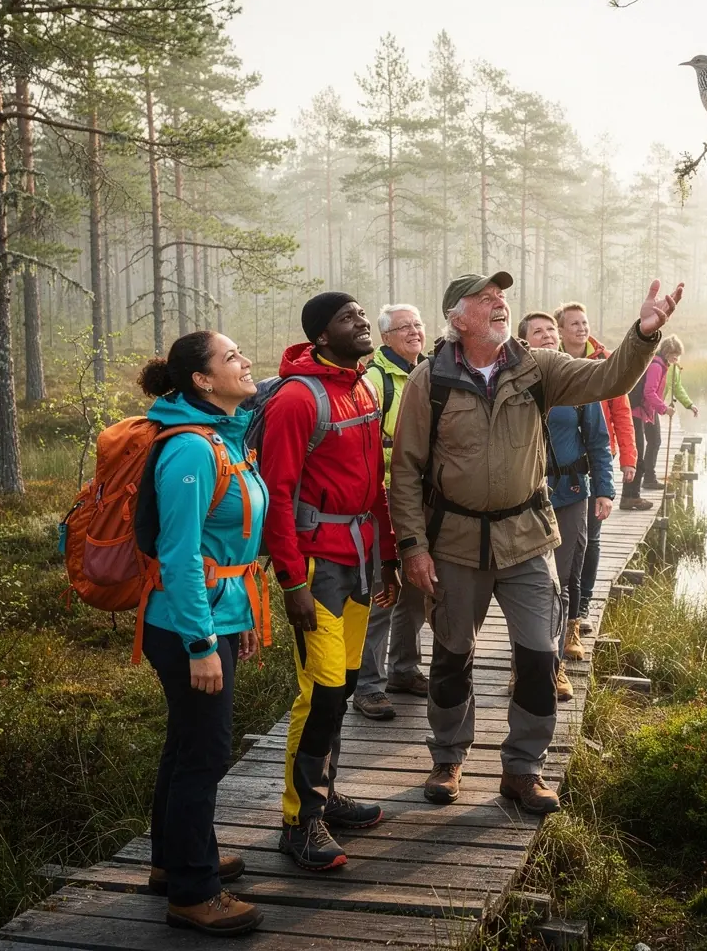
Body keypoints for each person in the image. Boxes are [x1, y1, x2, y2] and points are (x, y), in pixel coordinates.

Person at [389, 271, 683, 814]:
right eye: (485, 299)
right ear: (458, 319)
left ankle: (523, 769)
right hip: (453, 542)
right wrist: (412, 546)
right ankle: (448, 757)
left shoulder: (535, 367)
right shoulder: (428, 381)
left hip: (526, 538)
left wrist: (644, 334)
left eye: (501, 296)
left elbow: (610, 378)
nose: (500, 303)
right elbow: (405, 471)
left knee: (540, 654)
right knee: (453, 658)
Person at [260, 292, 401, 871]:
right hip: (317, 568)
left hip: (363, 558)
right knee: (318, 694)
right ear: (320, 337)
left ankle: (327, 794)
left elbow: (374, 488)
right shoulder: (297, 400)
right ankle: (300, 821)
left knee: (341, 687)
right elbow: (278, 497)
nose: (362, 321)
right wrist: (292, 582)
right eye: (348, 318)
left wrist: (389, 555)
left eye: (362, 314)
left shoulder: (362, 386)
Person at [137, 331, 266, 936]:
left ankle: (174, 859)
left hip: (213, 614)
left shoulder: (224, 437)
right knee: (206, 754)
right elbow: (181, 557)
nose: (245, 362)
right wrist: (201, 643)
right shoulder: (191, 450)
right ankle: (193, 891)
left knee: (187, 744)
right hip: (186, 626)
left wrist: (231, 620)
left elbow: (226, 548)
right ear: (203, 382)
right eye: (232, 357)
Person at [518, 312, 614, 700]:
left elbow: (598, 441)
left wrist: (604, 490)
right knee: (527, 585)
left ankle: (555, 667)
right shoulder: (514, 380)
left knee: (564, 576)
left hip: (571, 493)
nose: (547, 336)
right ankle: (521, 669)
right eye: (537, 332)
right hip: (522, 501)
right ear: (523, 340)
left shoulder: (575, 379)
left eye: (551, 331)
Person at [354, 303, 429, 721]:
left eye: (417, 325)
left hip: (420, 501)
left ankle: (404, 670)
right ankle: (368, 686)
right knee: (383, 594)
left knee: (416, 590)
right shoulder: (375, 379)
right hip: (381, 504)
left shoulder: (428, 371)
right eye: (403, 327)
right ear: (385, 337)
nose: (414, 332)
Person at [555, 302, 646, 632]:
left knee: (590, 538)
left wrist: (629, 458)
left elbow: (621, 413)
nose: (581, 328)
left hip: (597, 459)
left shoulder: (603, 363)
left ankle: (582, 607)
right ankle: (559, 607)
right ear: (561, 330)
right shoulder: (551, 360)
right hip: (560, 467)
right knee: (564, 541)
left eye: (585, 322)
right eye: (574, 323)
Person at [628, 333, 694, 491]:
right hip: (639, 410)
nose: (676, 358)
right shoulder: (656, 366)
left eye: (678, 355)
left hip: (648, 410)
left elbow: (663, 390)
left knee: (655, 441)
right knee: (641, 445)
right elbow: (649, 392)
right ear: (666, 352)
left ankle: (649, 478)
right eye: (674, 355)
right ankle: (636, 486)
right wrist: (664, 409)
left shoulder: (663, 365)